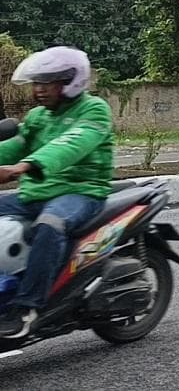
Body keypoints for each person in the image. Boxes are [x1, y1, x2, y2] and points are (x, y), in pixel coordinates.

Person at [0, 47, 112, 338]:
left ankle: (26, 308)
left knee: (50, 225)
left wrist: (21, 168)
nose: (38, 90)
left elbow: (70, 144)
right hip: (35, 194)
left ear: (69, 82)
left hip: (81, 192)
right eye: (36, 83)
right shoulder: (39, 116)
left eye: (46, 83)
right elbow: (14, 145)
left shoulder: (94, 110)